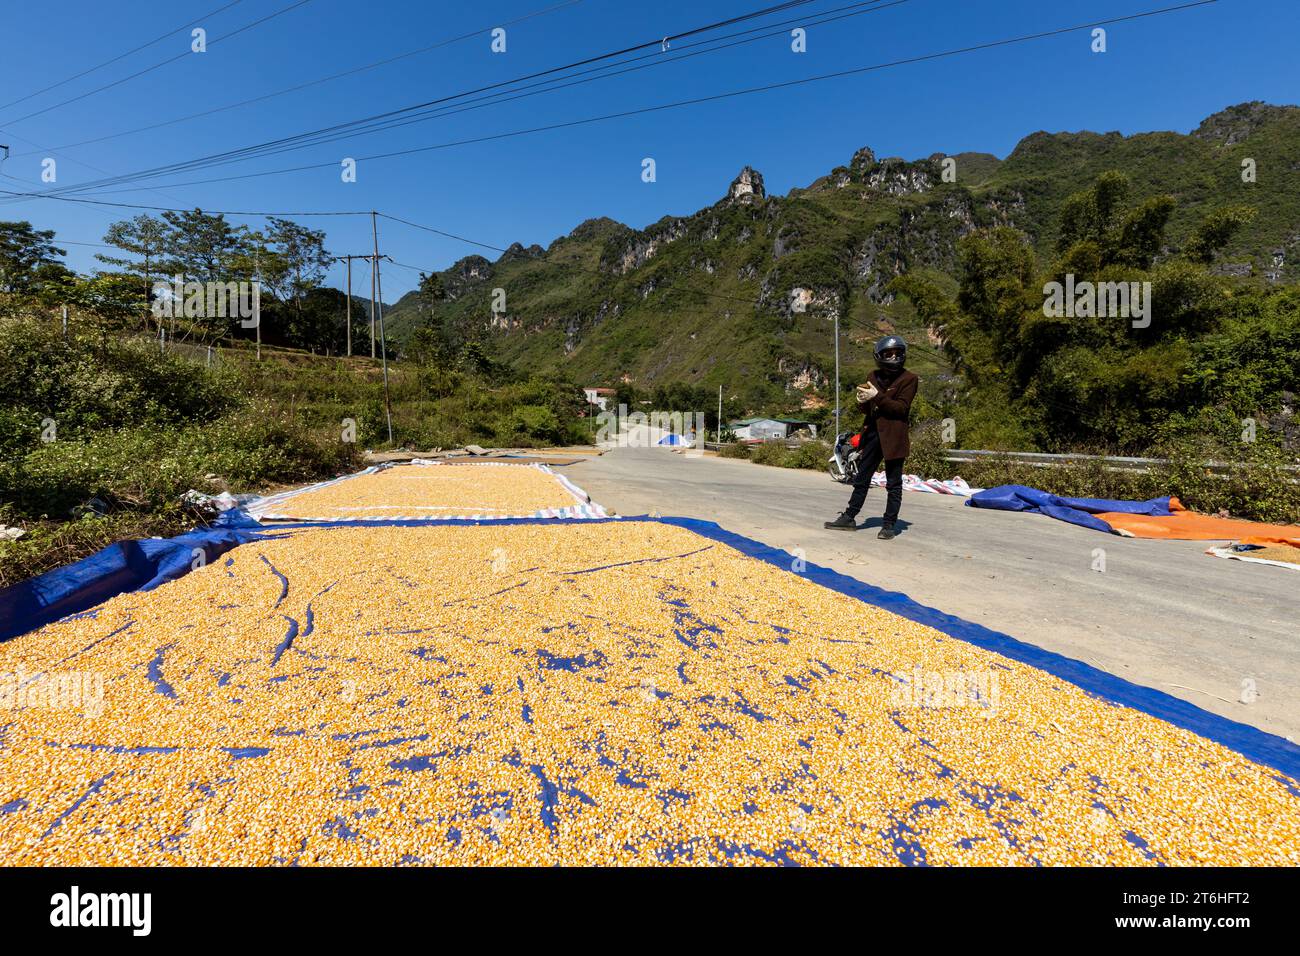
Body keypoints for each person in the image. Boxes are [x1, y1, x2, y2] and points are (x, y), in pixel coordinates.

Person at [824, 335, 918, 539]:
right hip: (873, 435)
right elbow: (869, 409)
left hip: (894, 437)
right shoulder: (873, 376)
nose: (893, 357)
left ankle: (889, 525)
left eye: (897, 353)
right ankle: (849, 517)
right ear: (880, 356)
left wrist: (876, 396)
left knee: (893, 483)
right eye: (888, 353)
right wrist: (862, 401)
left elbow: (900, 409)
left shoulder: (909, 379)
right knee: (861, 478)